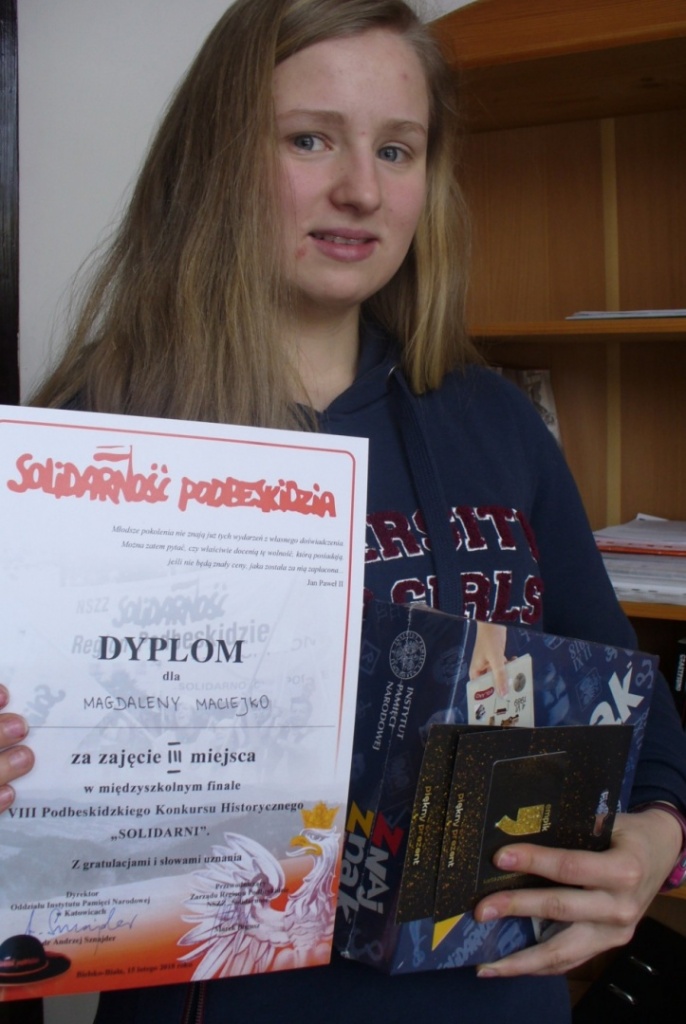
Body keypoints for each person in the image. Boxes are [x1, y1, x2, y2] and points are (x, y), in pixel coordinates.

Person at [2, 1, 686, 1021]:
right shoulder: (88, 443)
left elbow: (637, 715)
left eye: (396, 149)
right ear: (216, 161)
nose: (361, 189)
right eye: (309, 139)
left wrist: (653, 838)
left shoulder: (497, 422)